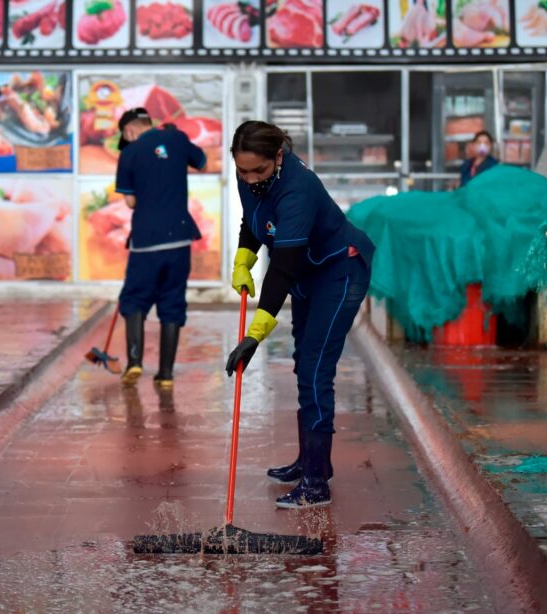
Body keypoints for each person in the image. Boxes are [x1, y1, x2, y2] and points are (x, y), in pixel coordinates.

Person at [225, 120, 374, 509]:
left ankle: (315, 485)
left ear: (278, 156)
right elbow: (254, 221)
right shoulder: (251, 174)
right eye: (242, 171)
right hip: (308, 273)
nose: (250, 179)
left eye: (258, 171)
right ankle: (312, 463)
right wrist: (243, 258)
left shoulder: (298, 189)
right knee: (302, 364)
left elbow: (284, 266)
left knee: (315, 367)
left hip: (338, 270)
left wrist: (254, 336)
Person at [115, 107, 207, 388]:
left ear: (129, 131)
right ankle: (165, 374)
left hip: (146, 241)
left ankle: (134, 362)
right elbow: (201, 161)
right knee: (172, 301)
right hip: (179, 238)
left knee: (134, 300)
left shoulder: (128, 153)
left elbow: (130, 202)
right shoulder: (177, 139)